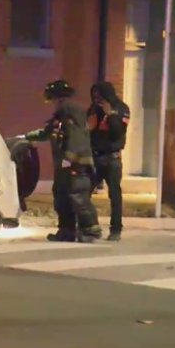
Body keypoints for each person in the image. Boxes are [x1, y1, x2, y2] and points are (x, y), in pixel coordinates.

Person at [24, 80, 102, 243]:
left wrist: (69, 159)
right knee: (61, 196)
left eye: (52, 100)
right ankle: (66, 231)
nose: (52, 104)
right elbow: (49, 132)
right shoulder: (61, 115)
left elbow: (76, 136)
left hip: (76, 163)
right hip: (64, 165)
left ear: (58, 98)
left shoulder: (70, 111)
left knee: (78, 195)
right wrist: (26, 137)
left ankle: (91, 231)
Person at [88, 81, 129, 241]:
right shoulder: (93, 109)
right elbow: (89, 130)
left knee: (115, 195)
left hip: (112, 158)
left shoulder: (121, 108)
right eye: (94, 96)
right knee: (84, 192)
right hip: (95, 157)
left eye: (99, 96)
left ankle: (116, 229)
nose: (97, 99)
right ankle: (90, 226)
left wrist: (110, 114)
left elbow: (118, 132)